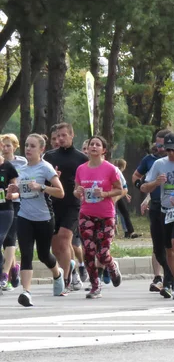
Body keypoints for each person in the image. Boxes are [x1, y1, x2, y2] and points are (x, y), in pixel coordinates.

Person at [7, 134, 65, 307]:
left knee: (43, 255)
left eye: (32, 146)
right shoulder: (22, 170)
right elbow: (22, 193)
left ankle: (57, 274)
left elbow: (60, 192)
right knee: (26, 254)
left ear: (41, 150)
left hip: (44, 218)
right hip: (24, 216)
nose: (28, 149)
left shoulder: (45, 168)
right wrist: (14, 191)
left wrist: (42, 187)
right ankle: (26, 292)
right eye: (26, 145)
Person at [74, 136, 124, 299]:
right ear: (87, 149)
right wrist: (78, 192)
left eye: (97, 144)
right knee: (88, 250)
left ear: (104, 150)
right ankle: (95, 285)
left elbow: (120, 190)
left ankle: (111, 265)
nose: (93, 146)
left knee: (102, 253)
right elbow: (76, 190)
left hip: (106, 215)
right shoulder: (81, 169)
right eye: (91, 144)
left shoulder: (110, 169)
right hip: (86, 213)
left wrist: (105, 194)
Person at [142, 132, 174, 299]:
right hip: (166, 210)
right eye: (167, 150)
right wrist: (155, 183)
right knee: (168, 249)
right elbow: (144, 187)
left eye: (173, 150)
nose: (170, 154)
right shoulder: (159, 164)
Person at [43, 122, 89, 294]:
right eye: (58, 136)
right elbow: (42, 179)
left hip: (73, 204)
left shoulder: (81, 158)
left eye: (64, 135)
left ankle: (65, 281)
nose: (60, 139)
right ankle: (67, 266)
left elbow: (88, 179)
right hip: (52, 204)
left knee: (64, 238)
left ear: (72, 135)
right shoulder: (49, 156)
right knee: (56, 247)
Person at [133, 129, 173, 293]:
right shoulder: (151, 160)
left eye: (163, 145)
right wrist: (144, 191)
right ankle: (160, 277)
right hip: (156, 204)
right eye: (157, 144)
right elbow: (137, 177)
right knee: (158, 246)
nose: (160, 147)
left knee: (173, 243)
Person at [1, 133, 27, 290]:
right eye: (3, 145)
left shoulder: (21, 162)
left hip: (16, 204)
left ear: (15, 146)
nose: (5, 148)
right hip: (2, 203)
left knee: (10, 238)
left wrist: (15, 192)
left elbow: (22, 181)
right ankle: (14, 267)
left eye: (8, 145)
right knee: (4, 240)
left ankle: (4, 274)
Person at [0, 148, 19, 290]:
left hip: (6, 210)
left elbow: (17, 191)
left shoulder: (8, 167)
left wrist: (11, 195)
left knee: (2, 240)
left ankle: (4, 273)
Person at [113, 158, 141, 239]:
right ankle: (127, 231)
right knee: (119, 213)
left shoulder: (116, 171)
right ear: (123, 166)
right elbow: (121, 186)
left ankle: (129, 231)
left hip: (118, 194)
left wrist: (125, 194)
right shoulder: (116, 171)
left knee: (123, 213)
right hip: (114, 195)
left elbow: (121, 187)